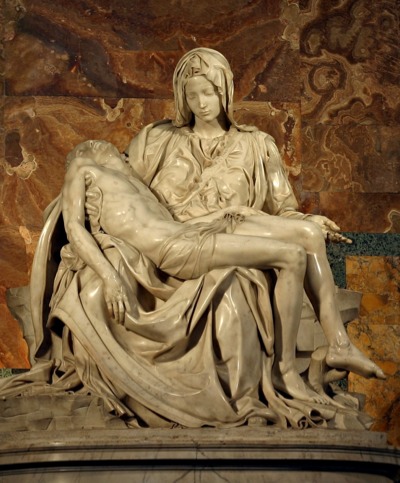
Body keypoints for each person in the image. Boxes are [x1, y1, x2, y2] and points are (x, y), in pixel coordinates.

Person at [0, 48, 384, 430]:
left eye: (209, 93)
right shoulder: (156, 140)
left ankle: (337, 345)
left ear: (225, 92)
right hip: (180, 239)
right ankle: (286, 371)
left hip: (229, 224)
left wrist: (306, 219)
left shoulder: (258, 145)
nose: (201, 103)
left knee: (308, 233)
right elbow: (117, 185)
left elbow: (282, 210)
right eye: (192, 94)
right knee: (248, 277)